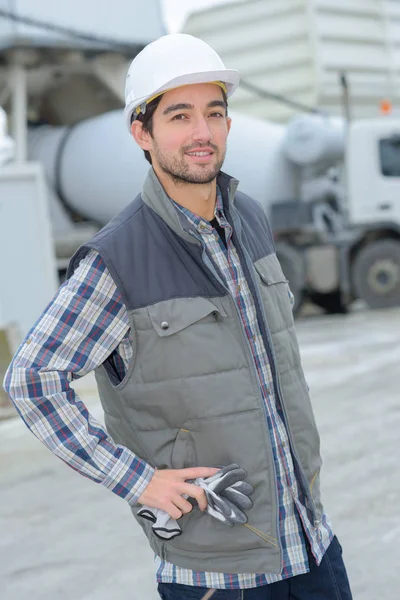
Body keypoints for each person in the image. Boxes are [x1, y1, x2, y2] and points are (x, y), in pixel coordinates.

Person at [4, 34, 352, 600]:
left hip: (312, 548)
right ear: (142, 132)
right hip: (218, 579)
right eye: (180, 115)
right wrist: (137, 480)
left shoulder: (252, 220)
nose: (202, 133)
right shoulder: (117, 260)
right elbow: (30, 379)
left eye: (215, 113)